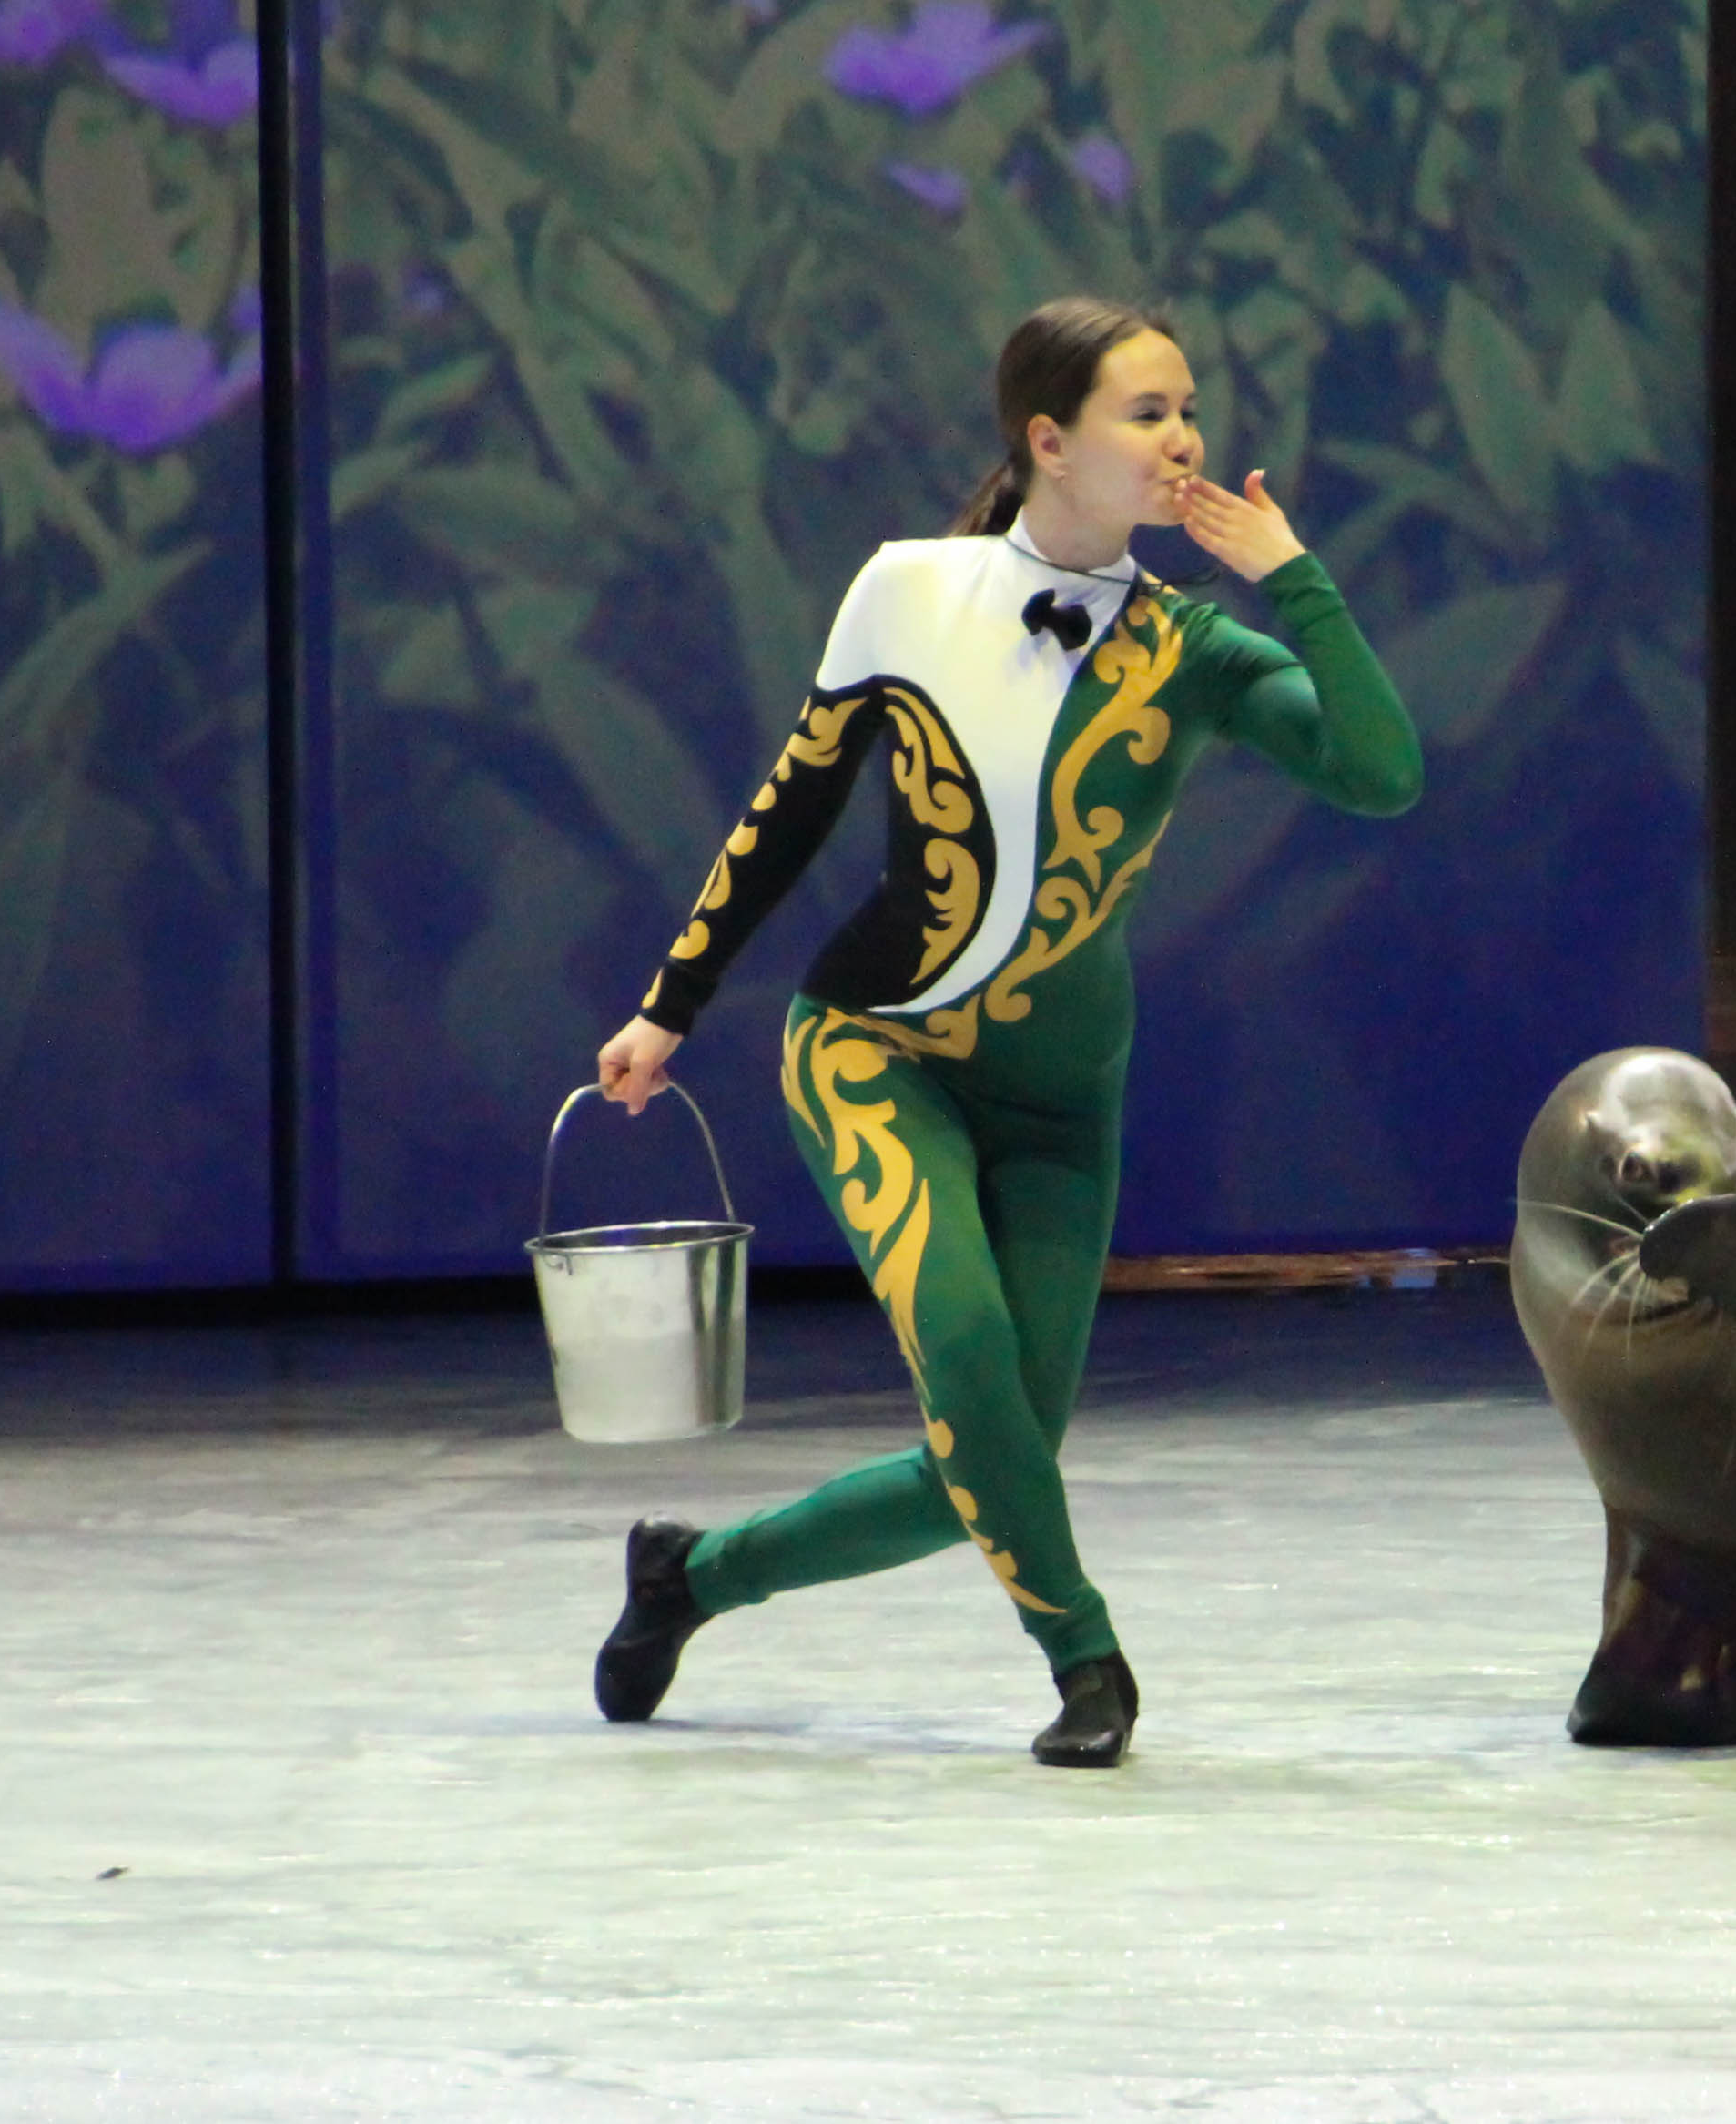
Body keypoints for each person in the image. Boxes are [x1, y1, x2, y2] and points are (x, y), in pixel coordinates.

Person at [589, 295, 1421, 1768]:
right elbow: (793, 808)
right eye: (1147, 412)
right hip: (874, 1049)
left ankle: (692, 1576)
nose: (1186, 440)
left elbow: (1380, 770)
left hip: (1060, 1098)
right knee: (969, 1362)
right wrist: (673, 1002)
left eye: (1188, 409)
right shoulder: (911, 590)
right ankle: (1088, 1662)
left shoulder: (1194, 650)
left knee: (995, 1452)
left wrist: (1294, 579)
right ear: (1050, 440)